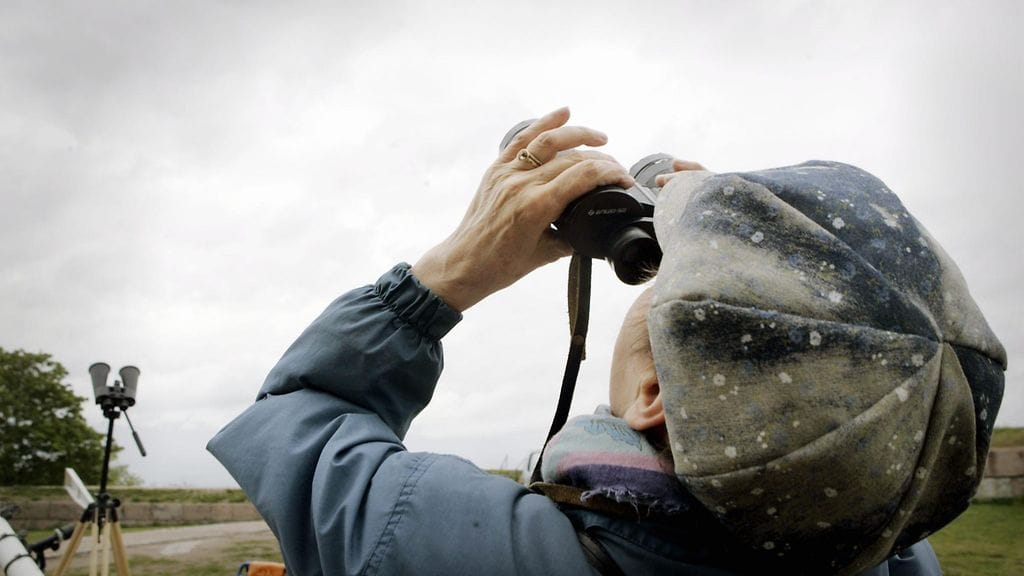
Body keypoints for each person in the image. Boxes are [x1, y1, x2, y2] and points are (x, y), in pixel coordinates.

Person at [209, 108, 1004, 575]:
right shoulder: (896, 549)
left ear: (655, 396)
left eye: (682, 301)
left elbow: (303, 414)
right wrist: (772, 265)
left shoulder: (448, 544)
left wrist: (452, 271)